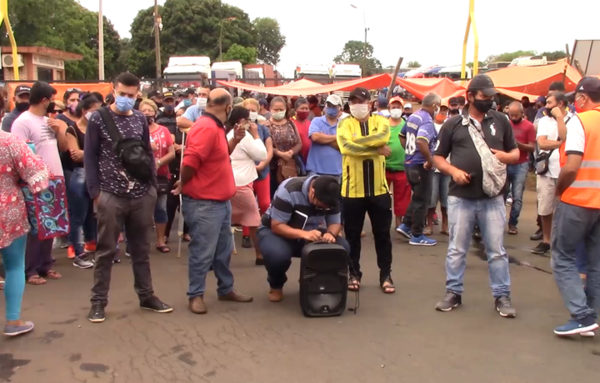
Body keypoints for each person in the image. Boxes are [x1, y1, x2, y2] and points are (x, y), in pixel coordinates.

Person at [85, 72, 173, 323]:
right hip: (110, 195)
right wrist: (96, 193)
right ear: (114, 90)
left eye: (130, 96)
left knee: (141, 249)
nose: (125, 99)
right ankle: (98, 301)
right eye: (121, 94)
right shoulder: (98, 119)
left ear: (138, 95)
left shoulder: (139, 119)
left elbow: (146, 152)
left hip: (141, 194)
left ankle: (146, 296)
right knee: (105, 251)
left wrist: (152, 189)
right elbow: (90, 157)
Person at [433, 74, 519, 317]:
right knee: (456, 249)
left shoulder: (500, 120)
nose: (489, 100)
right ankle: (453, 292)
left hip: (493, 197)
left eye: (492, 96)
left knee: (497, 250)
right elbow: (438, 157)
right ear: (470, 97)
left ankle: (502, 296)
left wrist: (506, 157)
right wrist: (453, 171)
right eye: (484, 96)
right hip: (461, 197)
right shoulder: (453, 124)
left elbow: (515, 153)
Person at [177, 88, 253, 315]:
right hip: (204, 203)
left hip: (219, 202)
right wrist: (183, 183)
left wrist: (236, 140)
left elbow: (219, 157)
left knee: (223, 250)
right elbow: (190, 162)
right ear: (228, 108)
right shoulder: (206, 128)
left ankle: (225, 288)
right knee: (203, 251)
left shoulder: (215, 127)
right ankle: (195, 295)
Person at [551, 76, 600, 336]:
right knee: (596, 262)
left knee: (563, 257)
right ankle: (591, 317)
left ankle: (581, 316)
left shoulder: (581, 121)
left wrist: (559, 191)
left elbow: (571, 166)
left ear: (583, 98)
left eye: (577, 98)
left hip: (578, 201)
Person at [337, 87, 394, 294]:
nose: (356, 105)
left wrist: (360, 144)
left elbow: (382, 139)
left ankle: (386, 275)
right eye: (352, 102)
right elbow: (345, 148)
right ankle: (354, 273)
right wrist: (374, 150)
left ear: (370, 103)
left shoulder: (381, 122)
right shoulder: (344, 123)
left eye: (360, 101)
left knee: (383, 235)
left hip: (379, 191)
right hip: (352, 192)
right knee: (352, 236)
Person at [257, 176, 350, 302]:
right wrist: (303, 234)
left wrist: (331, 234)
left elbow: (335, 223)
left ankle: (311, 279)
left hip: (310, 232)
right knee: (277, 256)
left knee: (343, 248)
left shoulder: (332, 195)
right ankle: (276, 284)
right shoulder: (289, 190)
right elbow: (277, 226)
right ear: (312, 192)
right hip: (276, 231)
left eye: (326, 208)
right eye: (320, 205)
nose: (323, 209)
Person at [12, 81, 68, 286]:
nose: (54, 103)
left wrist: (59, 131)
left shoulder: (49, 121)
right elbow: (20, 154)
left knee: (51, 225)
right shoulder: (23, 122)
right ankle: (30, 269)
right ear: (44, 100)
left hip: (55, 178)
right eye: (52, 99)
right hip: (34, 181)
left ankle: (46, 265)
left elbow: (63, 149)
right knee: (36, 226)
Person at [0, 129, 50, 336]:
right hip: (8, 209)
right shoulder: (9, 141)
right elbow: (37, 173)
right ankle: (13, 321)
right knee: (14, 266)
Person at [397, 93, 441, 246]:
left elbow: (401, 136)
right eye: (438, 106)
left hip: (410, 163)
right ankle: (417, 235)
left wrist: (409, 152)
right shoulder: (427, 121)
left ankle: (406, 224)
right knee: (423, 200)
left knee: (417, 196)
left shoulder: (414, 116)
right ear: (434, 105)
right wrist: (429, 160)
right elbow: (422, 141)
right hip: (420, 165)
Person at [227, 106, 267, 264]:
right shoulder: (244, 136)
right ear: (242, 121)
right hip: (242, 184)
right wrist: (256, 135)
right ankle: (260, 255)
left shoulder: (229, 133)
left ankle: (218, 258)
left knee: (225, 222)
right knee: (254, 222)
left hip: (232, 182)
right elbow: (261, 154)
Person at [66, 94, 101, 269]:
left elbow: (103, 153)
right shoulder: (72, 130)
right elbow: (74, 154)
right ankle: (78, 253)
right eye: (94, 111)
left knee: (95, 215)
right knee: (78, 216)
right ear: (85, 111)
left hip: (97, 175)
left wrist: (86, 154)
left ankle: (92, 247)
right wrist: (94, 154)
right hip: (80, 175)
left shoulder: (99, 129)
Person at [140, 99, 175, 253]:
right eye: (143, 110)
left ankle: (160, 241)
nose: (147, 113)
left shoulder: (163, 130)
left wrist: (159, 162)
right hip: (140, 176)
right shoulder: (135, 131)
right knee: (141, 211)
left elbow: (172, 152)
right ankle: (141, 242)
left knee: (161, 208)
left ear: (155, 112)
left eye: (149, 110)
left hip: (161, 176)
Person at [241, 98, 273, 253]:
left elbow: (269, 149)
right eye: (249, 111)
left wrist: (263, 164)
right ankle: (246, 234)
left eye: (254, 110)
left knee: (265, 203)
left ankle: (264, 230)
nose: (251, 113)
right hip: (246, 173)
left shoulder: (263, 129)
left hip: (262, 172)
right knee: (248, 205)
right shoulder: (239, 129)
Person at [161, 91, 189, 243]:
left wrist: (186, 147)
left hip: (187, 169)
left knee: (186, 204)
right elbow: (169, 142)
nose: (179, 119)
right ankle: (165, 234)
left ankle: (186, 232)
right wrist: (176, 146)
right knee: (170, 204)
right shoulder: (171, 129)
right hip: (173, 170)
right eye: (178, 116)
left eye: (182, 116)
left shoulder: (192, 132)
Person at [505, 101, 536, 235]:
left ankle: (513, 223)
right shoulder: (506, 124)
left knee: (517, 197)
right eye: (511, 115)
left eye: (515, 115)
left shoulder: (529, 126)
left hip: (521, 164)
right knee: (501, 196)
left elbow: (532, 147)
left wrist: (518, 145)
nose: (513, 117)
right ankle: (498, 222)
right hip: (506, 162)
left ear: (522, 114)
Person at [264, 97, 302, 197]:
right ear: (270, 109)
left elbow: (299, 143)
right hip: (272, 167)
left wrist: (291, 152)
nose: (278, 112)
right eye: (276, 109)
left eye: (281, 109)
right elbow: (263, 146)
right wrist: (280, 154)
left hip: (290, 165)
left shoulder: (291, 124)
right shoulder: (265, 126)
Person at [386, 96, 411, 230]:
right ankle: (383, 222)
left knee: (402, 198)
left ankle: (399, 224)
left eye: (398, 107)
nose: (395, 109)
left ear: (402, 109)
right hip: (384, 167)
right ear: (389, 109)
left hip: (402, 167)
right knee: (382, 198)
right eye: (393, 107)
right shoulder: (383, 125)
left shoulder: (407, 124)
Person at [425, 103, 450, 236]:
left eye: (445, 110)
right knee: (432, 197)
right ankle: (429, 224)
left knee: (446, 198)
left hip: (447, 166)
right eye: (441, 110)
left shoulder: (450, 126)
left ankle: (445, 225)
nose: (443, 113)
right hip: (433, 168)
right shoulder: (429, 125)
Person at [306, 94, 343, 181]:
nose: (331, 108)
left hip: (337, 172)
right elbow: (315, 137)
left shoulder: (343, 124)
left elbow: (342, 146)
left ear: (340, 108)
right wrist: (338, 137)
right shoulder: (317, 121)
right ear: (325, 106)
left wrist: (323, 137)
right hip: (316, 171)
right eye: (329, 105)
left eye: (334, 106)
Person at [291, 98, 312, 163]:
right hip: (296, 159)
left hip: (309, 159)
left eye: (306, 108)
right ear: (295, 110)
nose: (305, 110)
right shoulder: (291, 123)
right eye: (302, 108)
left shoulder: (310, 123)